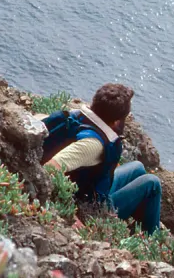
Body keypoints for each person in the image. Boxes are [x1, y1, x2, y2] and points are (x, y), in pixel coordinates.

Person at [42, 82, 162, 234]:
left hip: (86, 189)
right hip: (89, 209)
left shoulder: (76, 116)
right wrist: (68, 213)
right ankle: (153, 239)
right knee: (152, 184)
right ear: (117, 121)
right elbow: (50, 168)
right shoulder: (93, 145)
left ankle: (137, 221)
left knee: (137, 167)